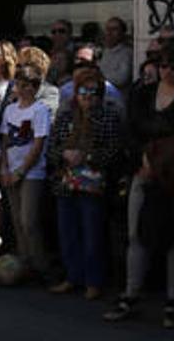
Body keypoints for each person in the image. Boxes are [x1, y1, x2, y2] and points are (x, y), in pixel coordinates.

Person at [107, 39, 174, 329]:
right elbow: (131, 132)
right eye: (164, 65)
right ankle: (130, 294)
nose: (167, 71)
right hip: (144, 171)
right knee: (136, 233)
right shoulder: (143, 94)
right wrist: (142, 158)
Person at [48, 65, 123, 300]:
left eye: (92, 92)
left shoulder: (108, 116)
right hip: (65, 181)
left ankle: (94, 281)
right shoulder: (65, 116)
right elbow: (52, 147)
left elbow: (114, 150)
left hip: (92, 184)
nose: (87, 97)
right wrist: (64, 154)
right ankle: (73, 276)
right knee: (68, 233)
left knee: (92, 234)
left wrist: (88, 156)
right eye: (82, 92)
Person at [0, 69, 53, 282]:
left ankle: (42, 266)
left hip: (31, 171)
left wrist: (21, 171)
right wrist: (5, 168)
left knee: (28, 220)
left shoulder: (40, 110)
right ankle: (24, 264)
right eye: (19, 85)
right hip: (11, 169)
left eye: (27, 85)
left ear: (35, 87)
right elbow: (5, 140)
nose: (22, 89)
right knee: (17, 221)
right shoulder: (10, 109)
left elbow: (38, 144)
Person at [99, 17, 133, 91]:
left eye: (114, 29)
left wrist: (99, 77)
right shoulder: (105, 51)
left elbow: (121, 79)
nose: (109, 32)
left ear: (122, 32)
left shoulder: (127, 53)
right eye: (107, 29)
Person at [47, 21, 75, 85]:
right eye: (54, 32)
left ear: (69, 34)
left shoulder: (78, 52)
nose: (57, 34)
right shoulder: (48, 54)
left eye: (61, 31)